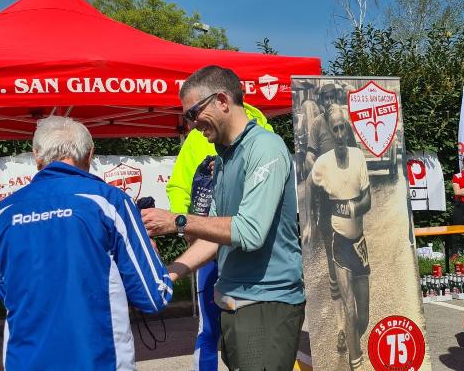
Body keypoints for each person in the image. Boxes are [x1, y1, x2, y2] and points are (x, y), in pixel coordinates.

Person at [142, 65, 305, 370]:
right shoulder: (223, 157)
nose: (190, 125)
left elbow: (250, 231)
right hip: (235, 304)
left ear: (222, 101)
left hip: (266, 304)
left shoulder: (266, 148)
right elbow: (215, 236)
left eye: (193, 113)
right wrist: (169, 274)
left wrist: (178, 220)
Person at [0, 116, 172, 370]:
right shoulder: (110, 201)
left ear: (36, 156)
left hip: (23, 360)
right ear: (90, 154)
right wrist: (152, 257)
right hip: (98, 360)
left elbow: (8, 292)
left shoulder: (1, 213)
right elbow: (153, 296)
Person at [166, 103, 273, 371]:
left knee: (258, 332)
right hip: (211, 248)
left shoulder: (265, 135)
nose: (200, 127)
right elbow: (179, 185)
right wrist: (185, 228)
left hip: (255, 252)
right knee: (210, 329)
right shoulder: (197, 137)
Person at [306, 107, 371, 370]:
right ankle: (355, 361)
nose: (340, 133)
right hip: (338, 240)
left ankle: (351, 334)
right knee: (350, 307)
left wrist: (355, 208)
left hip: (360, 242)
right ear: (331, 132)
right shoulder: (323, 161)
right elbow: (310, 184)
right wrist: (309, 221)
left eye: (344, 127)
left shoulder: (357, 157)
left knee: (364, 316)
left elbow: (367, 198)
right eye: (336, 129)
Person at [304, 86, 358, 353]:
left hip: (348, 203)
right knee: (334, 268)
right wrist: (311, 162)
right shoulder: (316, 124)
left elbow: (357, 158)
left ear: (336, 99)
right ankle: (340, 327)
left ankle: (354, 320)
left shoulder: (344, 123)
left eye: (331, 98)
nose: (327, 102)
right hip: (326, 204)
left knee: (352, 265)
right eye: (323, 98)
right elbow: (310, 153)